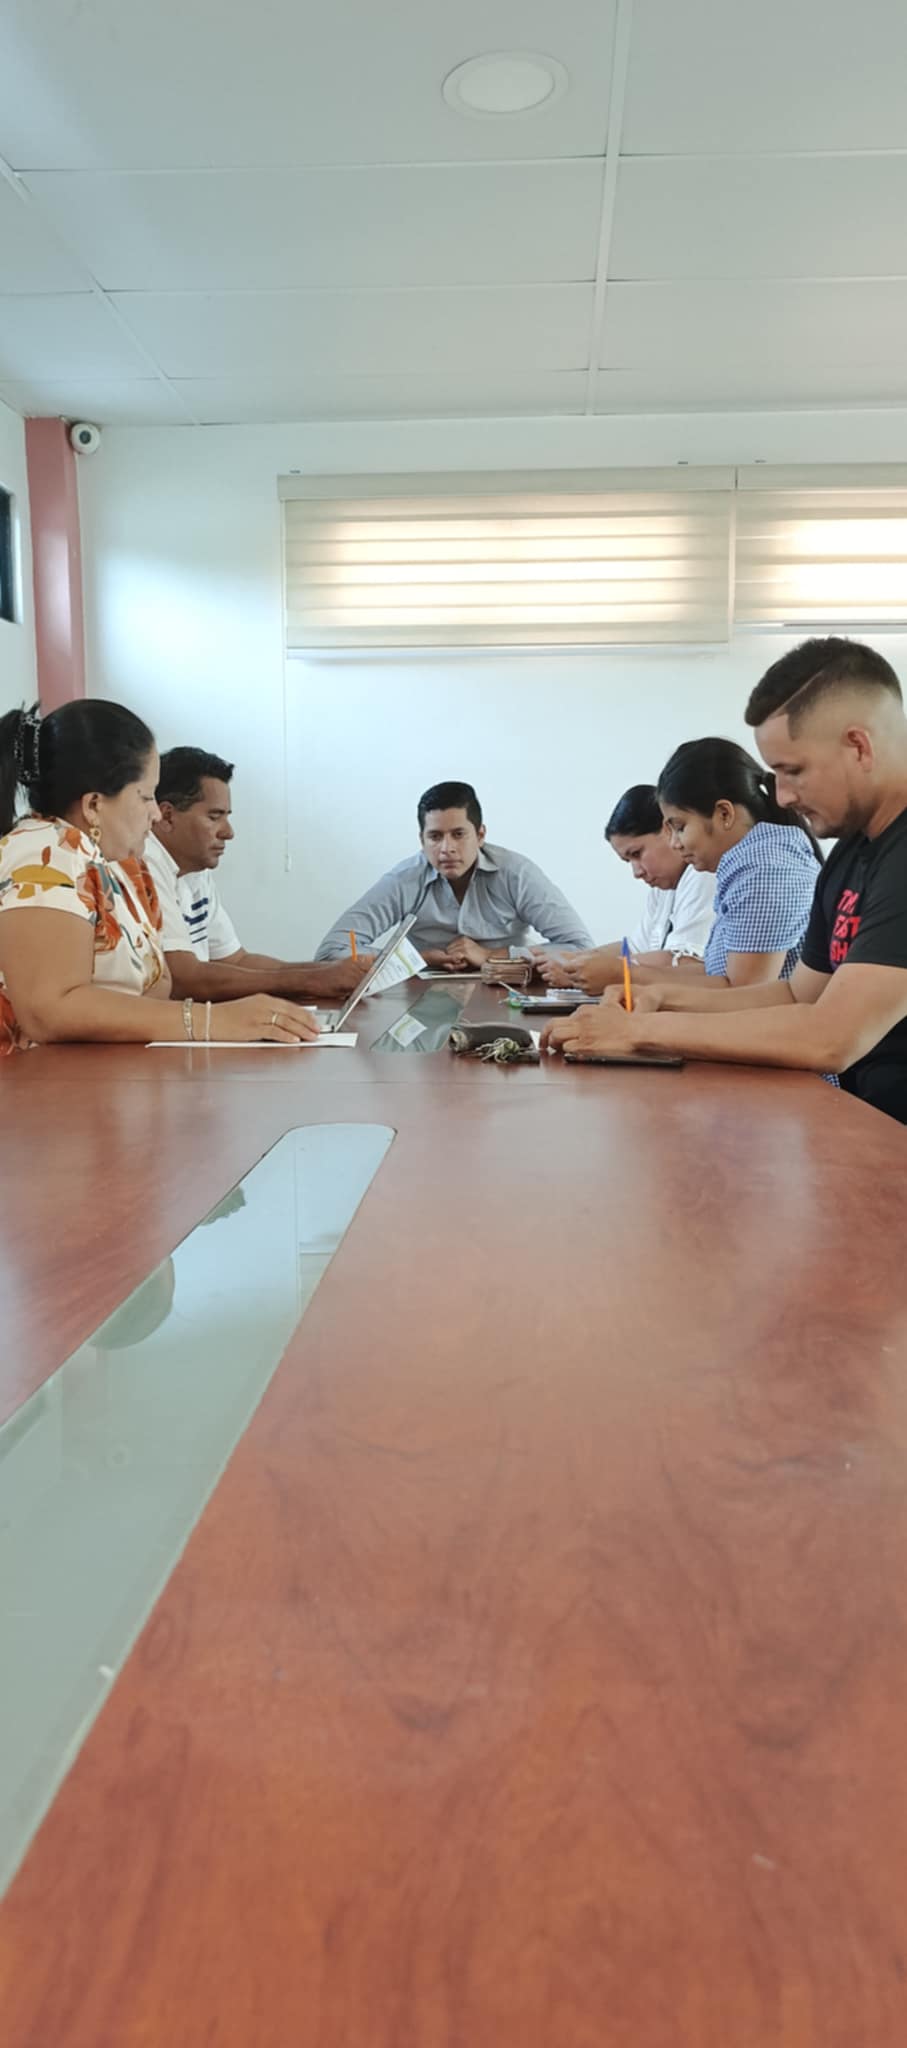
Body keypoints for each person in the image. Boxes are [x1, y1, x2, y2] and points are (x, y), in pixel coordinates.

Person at [541, 637, 907, 1126]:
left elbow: (831, 1037)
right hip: (861, 1120)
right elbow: (795, 995)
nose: (782, 795)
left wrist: (638, 1031)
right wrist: (662, 999)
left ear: (859, 746)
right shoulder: (851, 855)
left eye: (793, 771)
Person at [0, 702, 319, 1051]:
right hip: (39, 1079)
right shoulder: (44, 853)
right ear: (93, 805)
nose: (155, 814)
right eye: (146, 797)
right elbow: (50, 1010)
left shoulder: (125, 865)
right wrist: (214, 1021)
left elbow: (157, 987)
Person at [145, 748, 373, 1003]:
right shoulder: (147, 865)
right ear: (166, 816)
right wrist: (312, 980)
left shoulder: (195, 871)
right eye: (214, 817)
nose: (228, 832)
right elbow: (185, 979)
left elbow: (237, 960)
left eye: (226, 817)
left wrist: (330, 972)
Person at [315, 779, 592, 969]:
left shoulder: (516, 873)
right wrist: (415, 959)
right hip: (422, 1002)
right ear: (421, 840)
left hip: (508, 993)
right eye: (435, 837)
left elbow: (580, 947)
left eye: (458, 834)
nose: (446, 849)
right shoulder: (405, 878)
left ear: (480, 835)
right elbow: (332, 951)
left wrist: (492, 955)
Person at [532, 783, 716, 993]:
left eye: (637, 854)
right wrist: (578, 959)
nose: (636, 872)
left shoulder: (703, 875)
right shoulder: (663, 887)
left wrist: (591, 971)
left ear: (668, 830)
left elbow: (686, 962)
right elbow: (636, 948)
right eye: (628, 861)